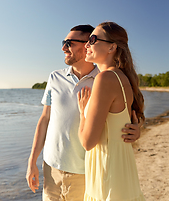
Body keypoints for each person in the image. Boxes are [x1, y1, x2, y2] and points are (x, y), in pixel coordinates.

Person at [26, 24, 141, 201]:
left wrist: (136, 129)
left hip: (85, 173)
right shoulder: (54, 77)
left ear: (87, 43)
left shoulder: (104, 78)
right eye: (64, 42)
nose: (64, 47)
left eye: (69, 43)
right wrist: (32, 161)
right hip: (51, 169)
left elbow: (126, 113)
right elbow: (45, 119)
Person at [77, 21, 145, 200]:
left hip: (107, 171)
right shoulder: (121, 77)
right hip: (119, 169)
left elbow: (87, 142)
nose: (87, 45)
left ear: (111, 47)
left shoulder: (105, 78)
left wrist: (82, 114)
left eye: (92, 39)